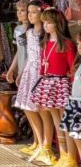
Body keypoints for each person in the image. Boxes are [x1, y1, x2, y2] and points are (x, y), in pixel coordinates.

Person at [30, 8, 76, 166]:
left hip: (62, 83)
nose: (46, 26)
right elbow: (43, 66)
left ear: (58, 23)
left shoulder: (67, 44)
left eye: (49, 22)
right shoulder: (45, 43)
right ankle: (63, 153)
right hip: (48, 83)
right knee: (57, 121)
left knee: (65, 122)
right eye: (44, 23)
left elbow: (73, 68)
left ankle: (71, 156)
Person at [14, 0, 45, 161]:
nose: (30, 15)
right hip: (29, 71)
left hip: (40, 73)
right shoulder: (27, 32)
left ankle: (43, 145)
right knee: (27, 108)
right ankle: (38, 141)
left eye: (34, 12)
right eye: (29, 12)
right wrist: (20, 73)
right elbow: (26, 56)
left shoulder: (44, 34)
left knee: (38, 110)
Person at [59, 34, 81, 167]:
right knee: (76, 137)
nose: (79, 47)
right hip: (75, 103)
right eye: (78, 44)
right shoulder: (78, 63)